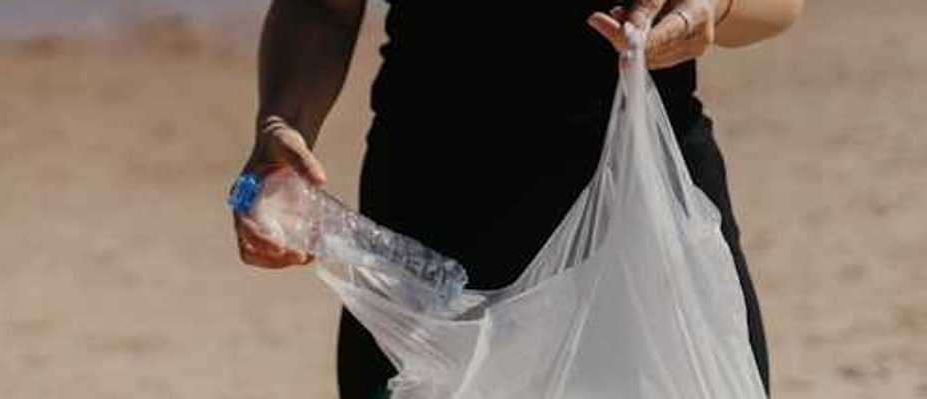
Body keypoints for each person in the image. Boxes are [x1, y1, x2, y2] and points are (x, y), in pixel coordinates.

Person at [232, 0, 802, 397]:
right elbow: (322, 5)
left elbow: (779, 5)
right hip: (431, 226)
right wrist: (285, 120)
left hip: (643, 209)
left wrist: (714, 8)